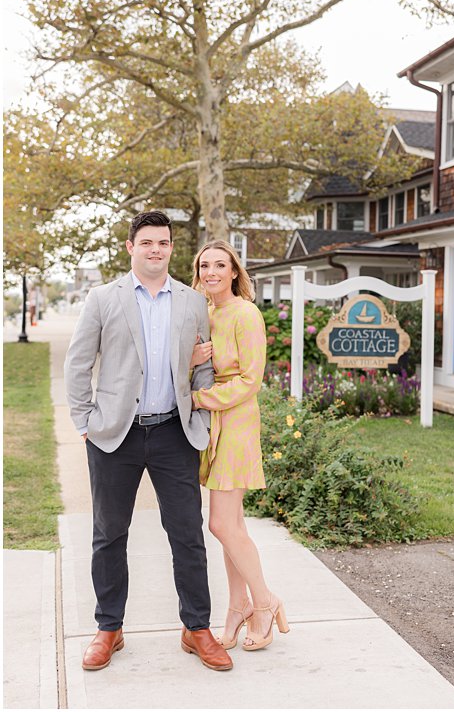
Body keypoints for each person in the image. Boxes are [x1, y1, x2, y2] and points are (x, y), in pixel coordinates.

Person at [64, 210, 232, 671]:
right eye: (147, 243)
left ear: (172, 248)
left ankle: (197, 628)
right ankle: (109, 628)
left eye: (163, 243)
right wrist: (85, 419)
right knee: (108, 534)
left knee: (187, 535)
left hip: (174, 433)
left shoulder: (192, 302)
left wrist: (198, 403)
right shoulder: (103, 298)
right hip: (113, 435)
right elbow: (78, 364)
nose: (156, 250)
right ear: (131, 248)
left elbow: (202, 367)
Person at [187, 240, 288, 650]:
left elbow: (251, 380)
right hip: (213, 427)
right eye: (204, 265)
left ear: (234, 272)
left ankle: (264, 601)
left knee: (220, 524)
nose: (211, 272)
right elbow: (194, 366)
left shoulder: (246, 314)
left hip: (237, 422)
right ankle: (237, 606)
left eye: (220, 265)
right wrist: (192, 364)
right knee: (233, 527)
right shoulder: (205, 314)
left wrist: (198, 399)